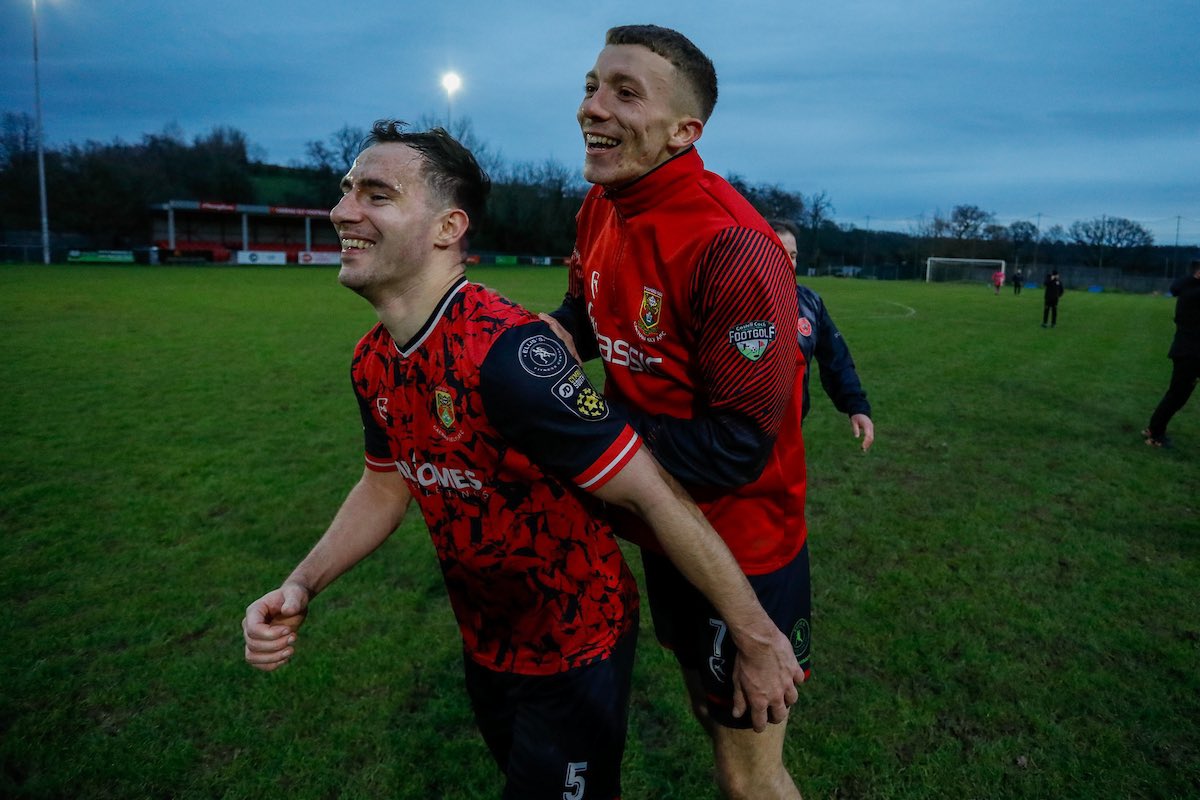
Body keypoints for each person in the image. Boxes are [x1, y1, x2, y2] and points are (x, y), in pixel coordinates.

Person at [240, 121, 803, 800]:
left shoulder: (509, 357)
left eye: (376, 194)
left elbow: (651, 494)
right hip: (487, 645)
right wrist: (302, 583)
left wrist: (756, 635)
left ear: (449, 228)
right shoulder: (372, 361)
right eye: (346, 190)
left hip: (574, 650)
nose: (342, 211)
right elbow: (384, 484)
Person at [551, 25, 810, 799]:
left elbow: (738, 449)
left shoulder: (731, 247)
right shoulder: (602, 205)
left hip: (742, 550)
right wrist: (548, 342)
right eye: (592, 85)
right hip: (665, 530)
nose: (591, 107)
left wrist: (580, 435)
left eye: (625, 93)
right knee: (708, 710)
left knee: (749, 777)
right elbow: (585, 310)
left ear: (683, 132)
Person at [769, 220, 874, 451]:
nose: (789, 262)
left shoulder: (810, 304)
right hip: (737, 435)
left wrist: (856, 406)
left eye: (793, 255)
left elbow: (837, 360)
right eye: (779, 253)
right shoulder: (736, 302)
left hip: (791, 432)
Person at [1143, 258, 1200, 447]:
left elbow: (1177, 285)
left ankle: (1154, 429)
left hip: (1188, 350)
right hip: (1190, 352)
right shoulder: (1194, 293)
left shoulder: (1187, 288)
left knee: (1177, 395)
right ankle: (1155, 433)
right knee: (1177, 395)